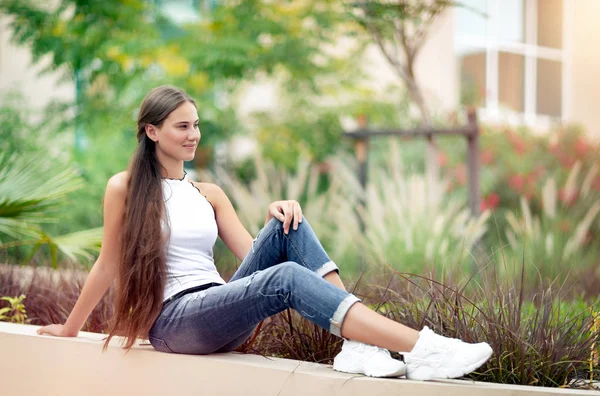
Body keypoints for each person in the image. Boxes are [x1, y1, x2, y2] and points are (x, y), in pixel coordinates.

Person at [37, 85, 492, 380]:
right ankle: (422, 348)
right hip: (175, 322)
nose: (193, 135)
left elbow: (253, 254)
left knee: (288, 222)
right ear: (152, 131)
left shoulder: (208, 193)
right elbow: (108, 262)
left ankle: (359, 345)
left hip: (218, 308)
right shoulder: (125, 187)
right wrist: (70, 330)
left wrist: (280, 214)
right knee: (289, 278)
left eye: (196, 125)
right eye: (182, 127)